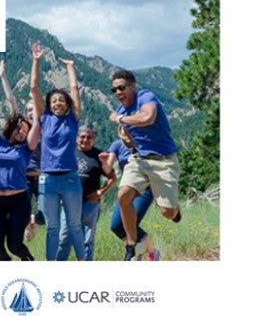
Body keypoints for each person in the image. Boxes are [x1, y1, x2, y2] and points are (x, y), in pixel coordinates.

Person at [109, 69, 181, 261]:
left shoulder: (145, 96)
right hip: (139, 160)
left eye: (122, 87)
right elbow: (133, 140)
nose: (117, 92)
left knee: (168, 213)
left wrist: (120, 119)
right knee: (123, 194)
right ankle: (132, 245)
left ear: (133, 86)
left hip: (163, 160)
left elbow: (147, 118)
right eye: (114, 89)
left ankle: (175, 209)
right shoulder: (122, 111)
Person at [29, 42, 84, 261]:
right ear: (49, 105)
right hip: (48, 179)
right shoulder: (46, 118)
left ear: (67, 104)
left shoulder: (73, 118)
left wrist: (70, 67)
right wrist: (36, 61)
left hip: (70, 178)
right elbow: (34, 88)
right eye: (54, 100)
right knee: (52, 227)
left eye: (61, 100)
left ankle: (83, 261)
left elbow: (74, 90)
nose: (58, 102)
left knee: (74, 226)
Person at [0, 84, 41, 260]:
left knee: (15, 245)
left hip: (18, 202)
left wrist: (35, 96)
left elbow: (37, 123)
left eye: (25, 130)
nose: (22, 132)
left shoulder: (26, 148)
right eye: (19, 128)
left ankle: (30, 261)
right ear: (11, 126)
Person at [56, 126, 116, 260]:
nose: (85, 140)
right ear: (77, 138)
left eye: (89, 137)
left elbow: (113, 178)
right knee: (63, 239)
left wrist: (100, 193)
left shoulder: (100, 156)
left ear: (94, 140)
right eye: (82, 136)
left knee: (87, 241)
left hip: (90, 204)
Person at [108, 133, 160, 261]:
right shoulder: (117, 145)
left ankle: (152, 254)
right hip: (126, 190)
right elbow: (108, 164)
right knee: (116, 226)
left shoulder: (145, 143)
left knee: (132, 222)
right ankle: (138, 248)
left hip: (145, 189)